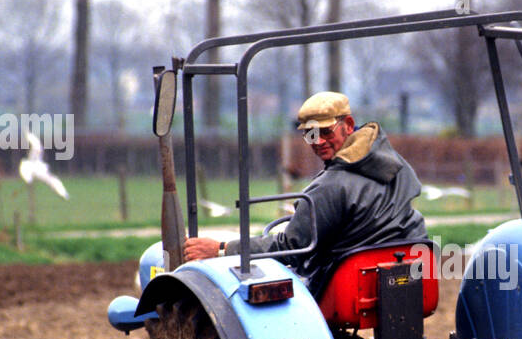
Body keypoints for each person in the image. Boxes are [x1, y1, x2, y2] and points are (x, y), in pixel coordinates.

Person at [182, 91, 427, 293]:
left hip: (351, 289)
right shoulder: (394, 163)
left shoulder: (329, 187)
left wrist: (222, 249)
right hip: (410, 275)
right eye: (310, 134)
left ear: (349, 125)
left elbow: (292, 248)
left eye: (326, 132)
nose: (318, 141)